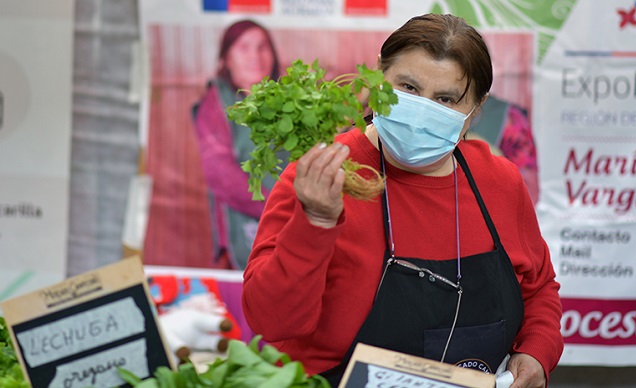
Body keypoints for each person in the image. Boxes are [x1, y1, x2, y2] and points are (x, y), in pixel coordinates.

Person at [242, 13, 563, 388]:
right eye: (408, 87)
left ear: (476, 109)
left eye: (445, 99)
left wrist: (538, 350)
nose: (422, 110)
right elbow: (271, 320)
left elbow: (539, 288)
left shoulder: (500, 183)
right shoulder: (323, 177)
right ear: (379, 76)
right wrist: (316, 221)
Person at [192, 20, 282, 270]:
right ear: (226, 58)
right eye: (244, 47)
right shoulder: (216, 104)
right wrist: (281, 210)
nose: (255, 56)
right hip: (249, 232)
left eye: (263, 47)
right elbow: (221, 176)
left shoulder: (290, 101)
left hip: (293, 225)